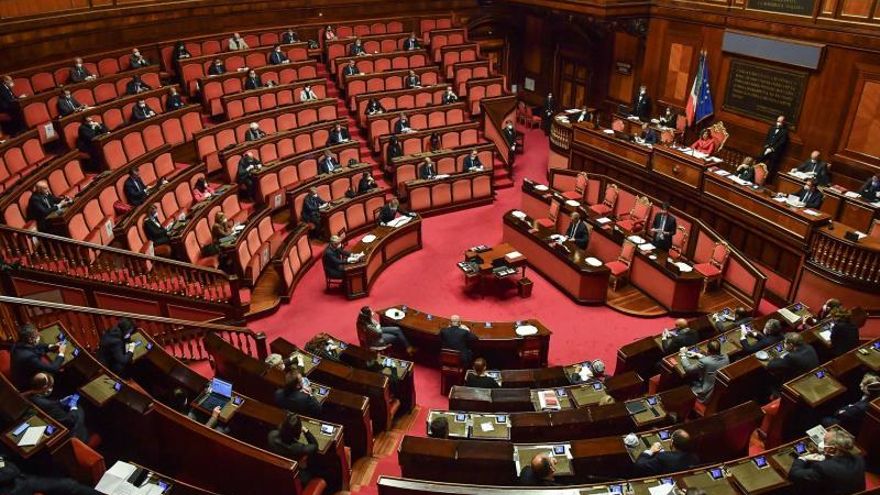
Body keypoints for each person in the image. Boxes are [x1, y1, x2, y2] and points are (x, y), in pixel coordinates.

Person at [788, 429, 865, 495]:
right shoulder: (859, 459)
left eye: (824, 441)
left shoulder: (823, 467)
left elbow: (794, 474)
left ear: (831, 449)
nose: (821, 443)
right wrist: (826, 459)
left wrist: (802, 458)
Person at [27, 373, 89, 442]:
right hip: (49, 430)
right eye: (50, 386)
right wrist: (73, 408)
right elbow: (70, 421)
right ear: (45, 388)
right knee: (79, 414)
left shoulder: (29, 396)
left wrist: (60, 402)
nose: (51, 389)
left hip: (35, 420)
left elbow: (47, 404)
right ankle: (80, 440)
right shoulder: (49, 405)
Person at [0, 454, 102, 495]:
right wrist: (4, 463)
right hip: (15, 489)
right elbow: (11, 472)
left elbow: (4, 457)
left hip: (22, 479)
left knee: (70, 485)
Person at [266, 413, 320, 485]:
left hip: (277, 469)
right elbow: (315, 446)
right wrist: (306, 431)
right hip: (293, 475)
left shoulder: (271, 435)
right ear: (297, 432)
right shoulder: (298, 448)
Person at [11, 323, 67, 390]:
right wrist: (61, 353)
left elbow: (37, 346)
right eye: (36, 335)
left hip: (22, 372)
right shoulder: (29, 357)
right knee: (57, 376)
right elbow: (53, 369)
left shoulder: (18, 344)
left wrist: (51, 346)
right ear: (30, 339)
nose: (39, 335)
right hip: (25, 384)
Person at [634, 429, 699, 475]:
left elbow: (639, 465)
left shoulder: (663, 457)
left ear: (672, 442)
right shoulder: (694, 458)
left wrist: (651, 450)